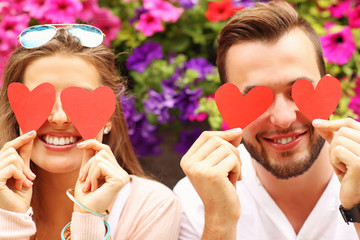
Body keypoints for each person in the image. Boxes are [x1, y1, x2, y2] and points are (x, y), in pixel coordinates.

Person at [173, 1, 360, 239]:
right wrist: (219, 222)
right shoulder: (195, 199)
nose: (283, 119)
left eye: (297, 92)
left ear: (327, 89)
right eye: (255, 98)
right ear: (228, 106)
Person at [0, 24, 181, 239]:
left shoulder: (151, 206)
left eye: (79, 100)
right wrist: (11, 219)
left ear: (109, 116)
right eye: (41, 99)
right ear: (15, 112)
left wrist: (89, 217)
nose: (59, 118)